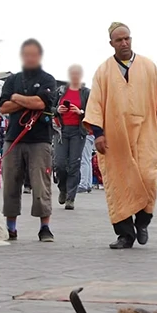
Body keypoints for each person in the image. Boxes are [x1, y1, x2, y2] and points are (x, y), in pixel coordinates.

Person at [83, 22, 157, 249]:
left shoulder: (148, 67)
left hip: (146, 133)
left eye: (127, 38)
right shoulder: (103, 71)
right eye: (119, 40)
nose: (124, 43)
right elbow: (95, 104)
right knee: (120, 184)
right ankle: (125, 235)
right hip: (115, 138)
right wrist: (98, 133)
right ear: (111, 44)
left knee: (148, 178)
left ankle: (143, 221)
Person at [0, 38, 58, 242]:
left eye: (34, 54)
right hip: (13, 138)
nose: (30, 58)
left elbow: (41, 103)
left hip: (39, 139)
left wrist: (17, 98)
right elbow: (3, 107)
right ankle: (10, 227)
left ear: (39, 56)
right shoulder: (12, 80)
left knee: (41, 184)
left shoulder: (48, 80)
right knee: (11, 183)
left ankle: (44, 228)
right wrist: (27, 101)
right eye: (26, 54)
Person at [53, 64, 91, 210]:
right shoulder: (61, 91)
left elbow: (93, 111)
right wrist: (58, 109)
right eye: (72, 73)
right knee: (60, 164)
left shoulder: (86, 93)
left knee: (75, 164)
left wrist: (80, 112)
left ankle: (70, 197)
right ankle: (63, 188)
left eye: (77, 73)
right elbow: (50, 108)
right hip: (61, 131)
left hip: (78, 131)